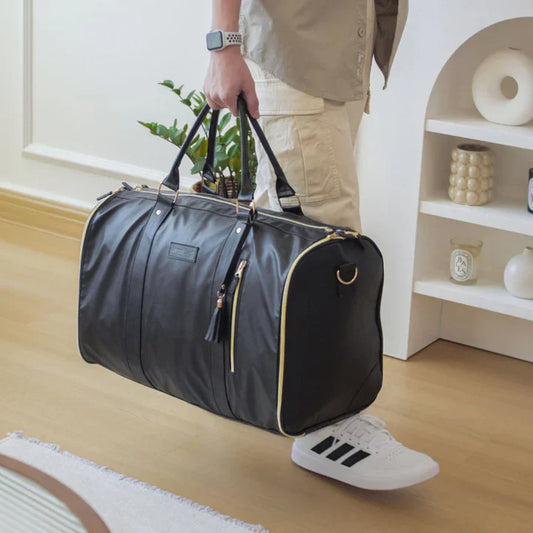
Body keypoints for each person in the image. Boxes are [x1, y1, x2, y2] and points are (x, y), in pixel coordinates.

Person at [203, 0, 439, 490]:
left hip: (334, 60)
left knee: (297, 248)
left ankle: (284, 397)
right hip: (297, 61)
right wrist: (222, 44)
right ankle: (325, 427)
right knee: (328, 253)